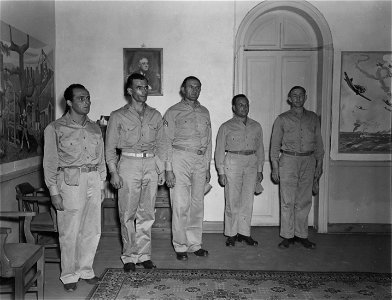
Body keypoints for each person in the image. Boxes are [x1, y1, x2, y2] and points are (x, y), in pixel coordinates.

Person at [43, 84, 106, 292]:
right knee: (69, 231)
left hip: (93, 180)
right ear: (69, 102)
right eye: (81, 98)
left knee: (92, 229)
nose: (86, 102)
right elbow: (50, 163)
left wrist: (102, 183)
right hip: (69, 181)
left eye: (88, 98)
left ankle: (86, 269)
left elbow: (102, 159)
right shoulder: (55, 128)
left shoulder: (95, 127)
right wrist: (54, 193)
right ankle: (69, 274)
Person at [105, 73, 165, 272]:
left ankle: (144, 255)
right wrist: (113, 172)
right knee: (127, 213)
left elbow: (162, 144)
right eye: (139, 87)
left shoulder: (156, 115)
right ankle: (129, 256)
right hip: (128, 163)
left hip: (150, 164)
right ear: (130, 91)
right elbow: (110, 148)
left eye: (146, 87)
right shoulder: (117, 116)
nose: (144, 91)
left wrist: (162, 168)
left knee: (147, 213)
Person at [163, 76, 212, 261]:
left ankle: (195, 244)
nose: (194, 90)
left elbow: (209, 141)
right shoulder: (172, 111)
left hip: (200, 160)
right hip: (179, 158)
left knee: (197, 204)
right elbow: (166, 141)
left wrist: (208, 166)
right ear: (183, 89)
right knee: (180, 204)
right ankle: (180, 245)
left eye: (198, 87)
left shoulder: (205, 112)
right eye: (191, 87)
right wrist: (168, 169)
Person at [270, 86, 324, 249]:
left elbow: (319, 145)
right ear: (289, 98)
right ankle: (287, 235)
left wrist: (319, 166)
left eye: (301, 95)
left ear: (305, 97)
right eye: (294, 95)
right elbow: (274, 146)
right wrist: (274, 167)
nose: (298, 98)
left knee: (304, 200)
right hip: (288, 161)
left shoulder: (313, 118)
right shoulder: (282, 119)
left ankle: (301, 235)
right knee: (287, 201)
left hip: (308, 161)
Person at [214, 94, 264, 247]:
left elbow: (260, 149)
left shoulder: (256, 126)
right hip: (233, 162)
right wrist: (221, 172)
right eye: (240, 105)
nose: (244, 107)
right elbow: (219, 150)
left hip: (251, 163)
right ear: (234, 108)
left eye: (246, 104)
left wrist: (260, 169)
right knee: (232, 200)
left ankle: (244, 233)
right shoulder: (226, 126)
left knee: (248, 200)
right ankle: (231, 234)